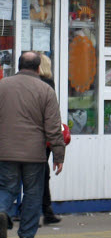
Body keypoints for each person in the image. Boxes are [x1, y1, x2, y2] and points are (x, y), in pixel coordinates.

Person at [0, 51, 64, 238]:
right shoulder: (46, 90)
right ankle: (27, 236)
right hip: (34, 154)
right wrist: (58, 155)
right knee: (33, 193)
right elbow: (53, 127)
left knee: (6, 188)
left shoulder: (2, 86)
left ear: (19, 65)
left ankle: (2, 211)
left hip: (5, 150)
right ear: (38, 68)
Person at [36, 54, 61, 225]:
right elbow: (52, 118)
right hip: (41, 137)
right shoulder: (47, 85)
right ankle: (46, 210)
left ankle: (14, 211)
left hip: (20, 138)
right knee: (42, 175)